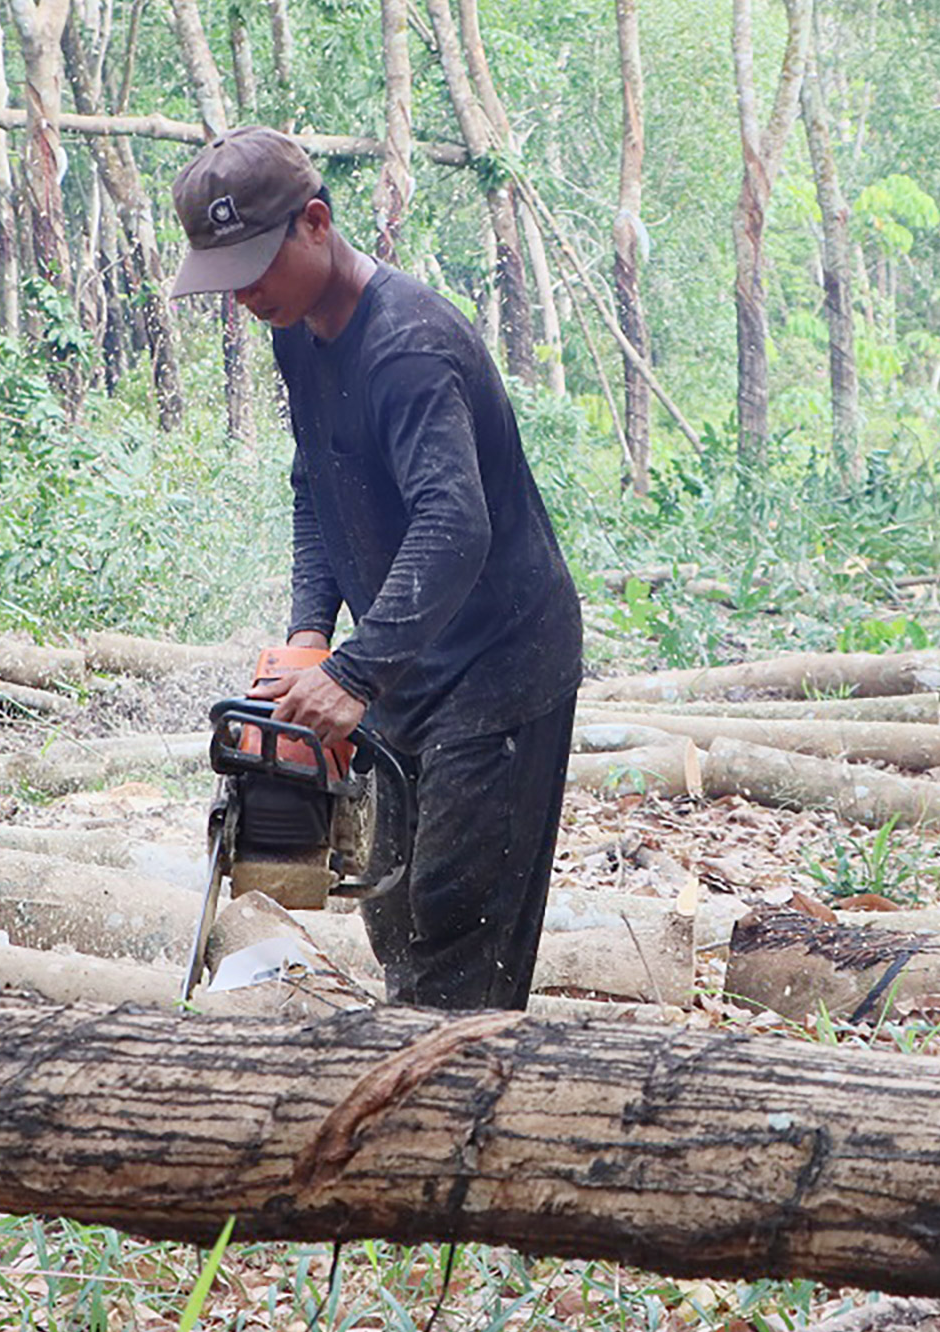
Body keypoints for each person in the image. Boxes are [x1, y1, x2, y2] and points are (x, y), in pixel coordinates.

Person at [171, 126, 584, 1011]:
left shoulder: (408, 348)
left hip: (499, 664)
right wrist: (311, 636)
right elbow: (316, 485)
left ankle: (456, 1095)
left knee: (457, 914)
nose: (242, 295)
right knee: (390, 901)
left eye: (254, 267)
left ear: (314, 224)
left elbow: (455, 522)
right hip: (408, 655)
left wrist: (353, 673)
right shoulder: (299, 330)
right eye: (227, 276)